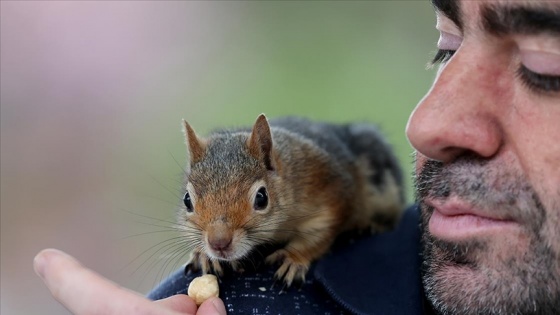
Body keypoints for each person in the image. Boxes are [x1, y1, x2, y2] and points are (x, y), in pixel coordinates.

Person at [34, 0, 560, 314]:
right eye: (446, 43)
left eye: (545, 65)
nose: (425, 125)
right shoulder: (261, 300)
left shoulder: (316, 191)